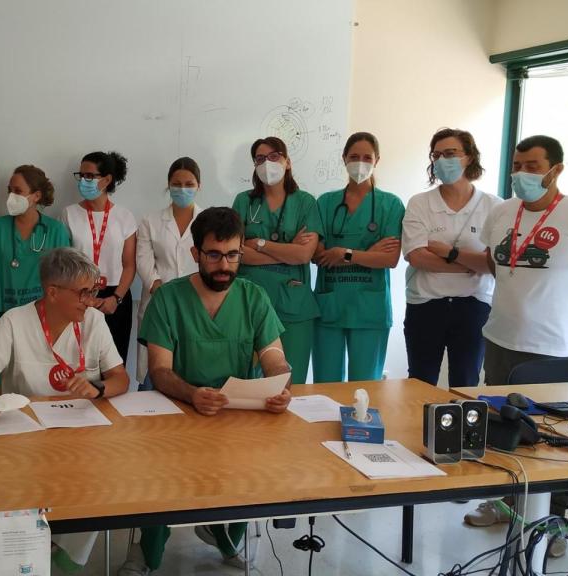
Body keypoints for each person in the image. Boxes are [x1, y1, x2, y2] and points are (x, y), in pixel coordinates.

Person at [463, 135, 568, 558]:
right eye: (518, 164)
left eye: (533, 166)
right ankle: (502, 502)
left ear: (556, 169)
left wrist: (567, 313)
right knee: (501, 427)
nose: (523, 174)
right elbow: (500, 264)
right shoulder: (502, 213)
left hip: (553, 348)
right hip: (499, 337)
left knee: (548, 439)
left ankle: (550, 523)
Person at [119, 207, 291, 575]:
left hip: (236, 414)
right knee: (164, 484)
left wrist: (280, 382)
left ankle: (225, 536)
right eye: (214, 255)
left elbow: (273, 355)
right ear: (195, 253)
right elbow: (159, 371)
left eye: (233, 255)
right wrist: (192, 393)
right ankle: (148, 551)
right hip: (177, 412)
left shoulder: (253, 297)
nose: (224, 265)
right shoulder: (169, 299)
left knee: (250, 471)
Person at [0, 247, 129, 572]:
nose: (91, 299)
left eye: (94, 291)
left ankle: (65, 561)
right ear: (52, 292)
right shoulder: (14, 322)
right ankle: (29, 553)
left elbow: (120, 378)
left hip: (83, 442)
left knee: (96, 489)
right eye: (84, 292)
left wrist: (98, 389)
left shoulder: (94, 321)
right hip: (24, 444)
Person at [401, 128, 501, 387]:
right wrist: (471, 264)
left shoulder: (494, 206)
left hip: (473, 307)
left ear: (469, 157)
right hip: (425, 305)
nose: (442, 160)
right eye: (436, 155)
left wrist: (449, 253)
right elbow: (417, 257)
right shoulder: (420, 203)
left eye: (450, 153)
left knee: (466, 381)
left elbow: (493, 264)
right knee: (420, 383)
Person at [312, 132, 405, 383]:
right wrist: (369, 253)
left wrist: (344, 253)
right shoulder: (325, 202)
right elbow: (316, 254)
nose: (360, 162)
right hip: (329, 305)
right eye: (354, 156)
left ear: (377, 160)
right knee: (326, 385)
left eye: (367, 157)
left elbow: (390, 259)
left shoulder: (391, 204)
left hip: (369, 309)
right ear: (343, 159)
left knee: (366, 387)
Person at [233, 137, 322, 383]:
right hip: (249, 303)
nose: (267, 163)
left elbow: (304, 255)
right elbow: (237, 254)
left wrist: (261, 245)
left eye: (274, 156)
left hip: (294, 306)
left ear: (287, 162)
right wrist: (287, 251)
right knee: (248, 384)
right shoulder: (244, 201)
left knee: (290, 384)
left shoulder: (305, 202)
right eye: (260, 159)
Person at [0, 165, 71, 332]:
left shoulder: (55, 231)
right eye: (9, 190)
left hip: (44, 317)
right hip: (5, 317)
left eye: (18, 191)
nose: (11, 196)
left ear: (36, 196)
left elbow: (65, 278)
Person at [63, 151, 136, 364]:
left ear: (106, 180)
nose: (83, 181)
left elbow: (129, 265)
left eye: (90, 176)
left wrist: (116, 299)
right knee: (79, 362)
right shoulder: (68, 214)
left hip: (115, 296)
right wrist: (80, 296)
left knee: (113, 362)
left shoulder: (125, 217)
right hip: (79, 294)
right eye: (81, 175)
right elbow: (64, 263)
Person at [134, 157, 202, 388]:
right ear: (168, 184)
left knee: (189, 372)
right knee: (153, 376)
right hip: (157, 299)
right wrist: (158, 287)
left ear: (198, 186)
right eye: (177, 183)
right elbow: (143, 259)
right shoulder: (149, 220)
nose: (182, 189)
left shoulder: (207, 220)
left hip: (195, 302)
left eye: (189, 184)